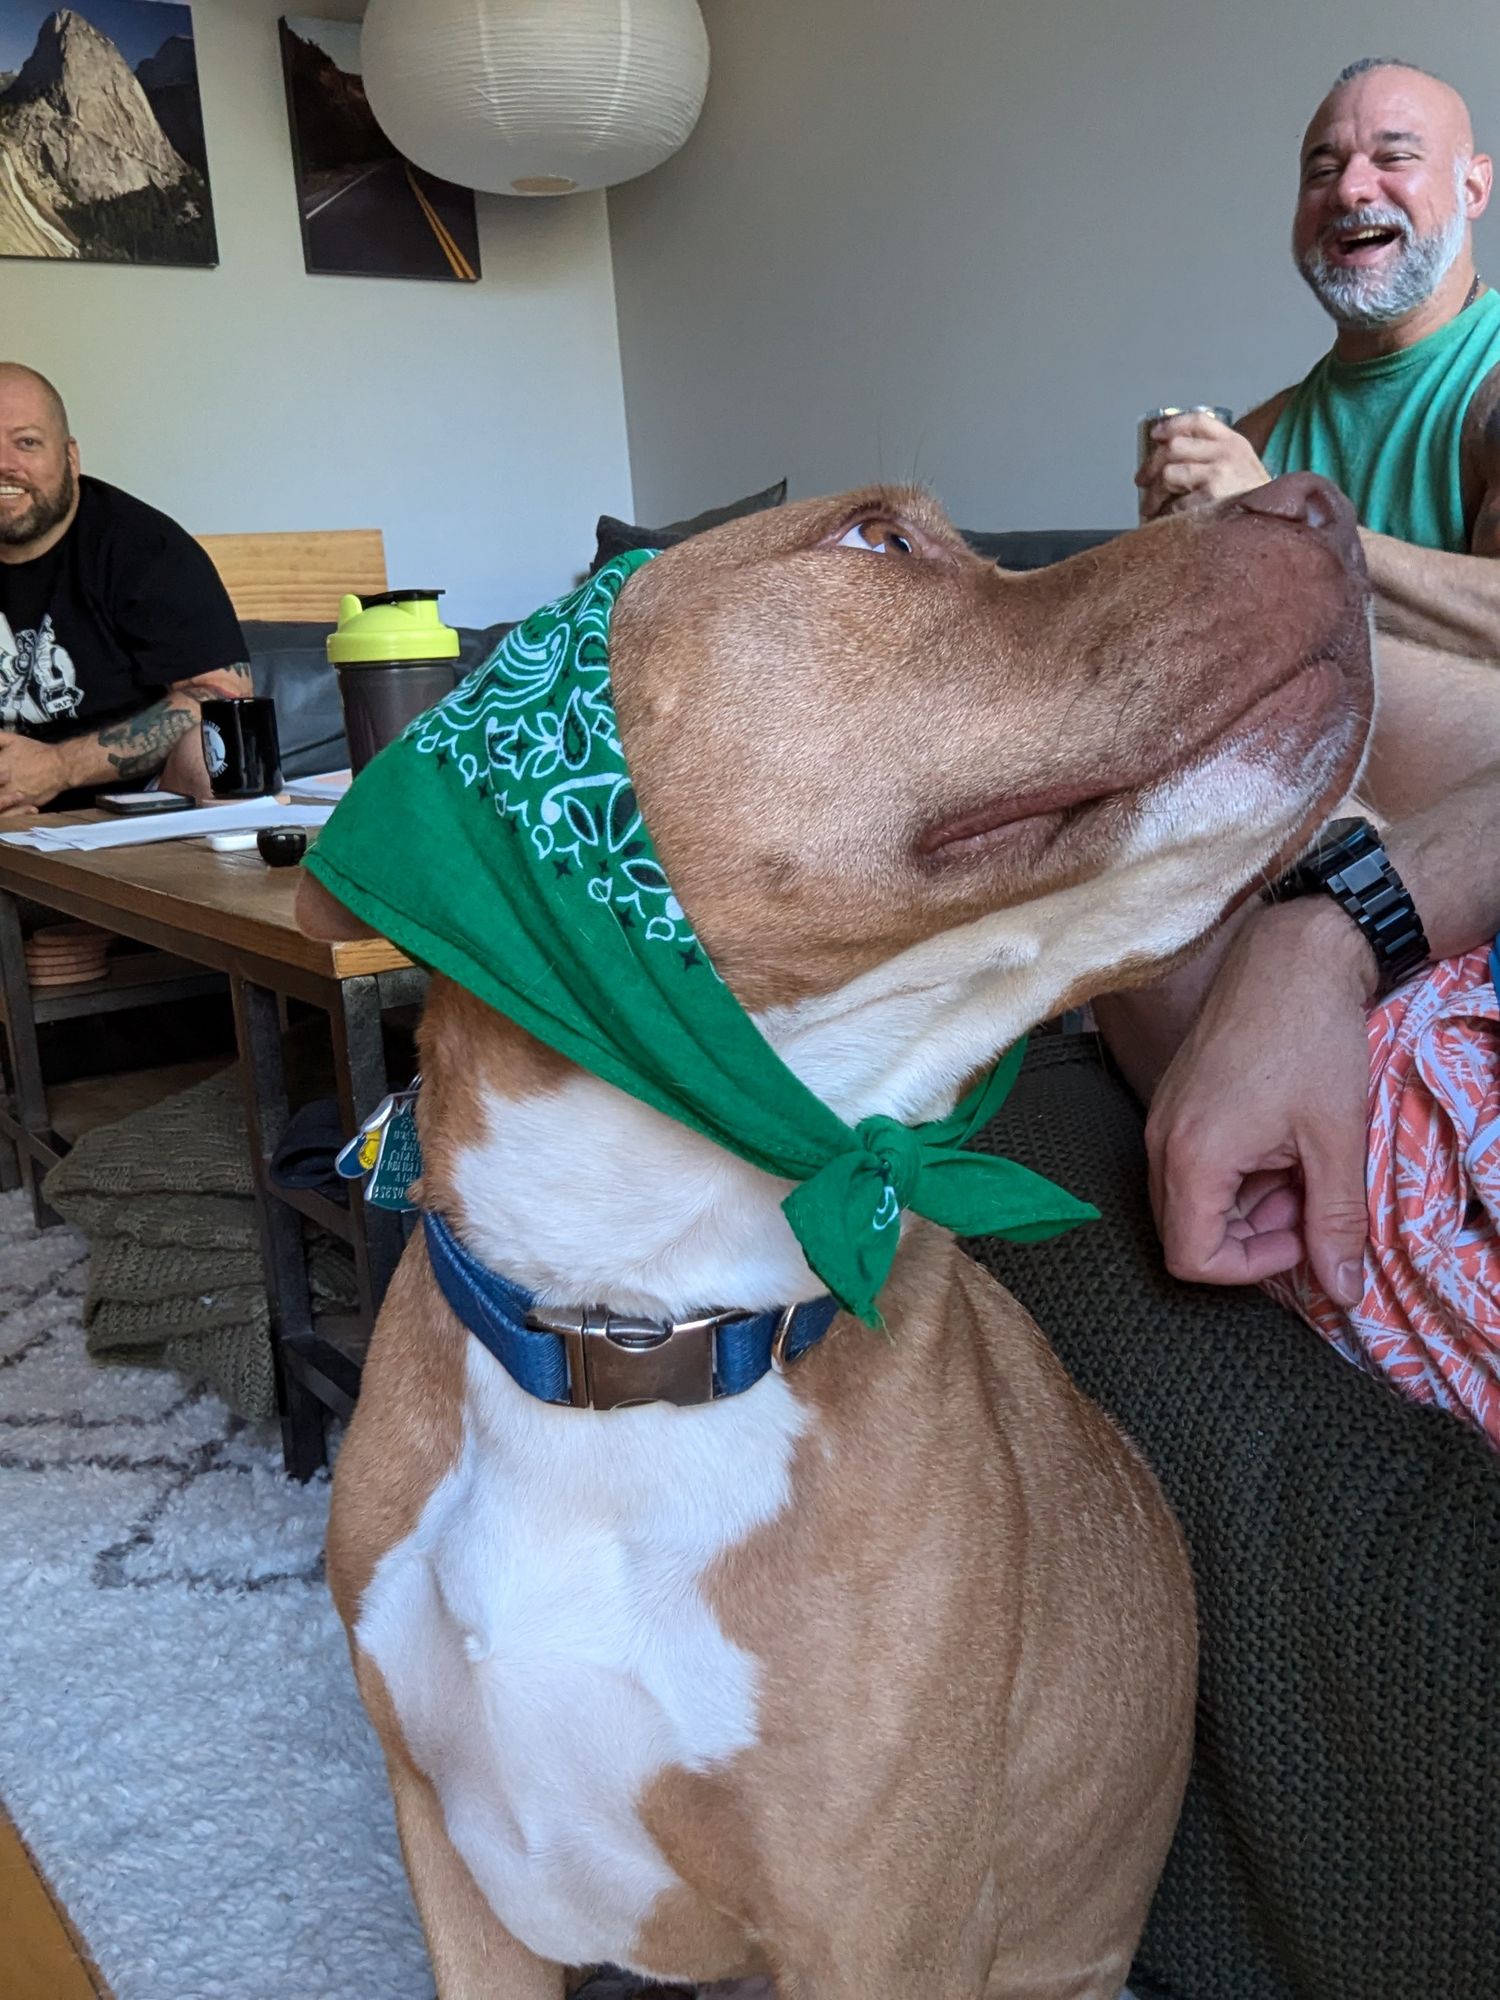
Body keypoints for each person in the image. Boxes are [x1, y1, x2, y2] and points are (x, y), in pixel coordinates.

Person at [1105, 59, 1500, 1340]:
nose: (1352, 186)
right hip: (1301, 803)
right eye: (1322, 165)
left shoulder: (1490, 385)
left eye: (1392, 154)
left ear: (1472, 188)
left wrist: (1295, 533)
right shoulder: (1269, 418)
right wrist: (1182, 559)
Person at [0, 362, 251, 814]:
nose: (4, 465)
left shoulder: (144, 547)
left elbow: (221, 696)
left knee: (207, 749)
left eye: (27, 443)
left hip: (137, 808)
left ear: (70, 458)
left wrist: (57, 767)